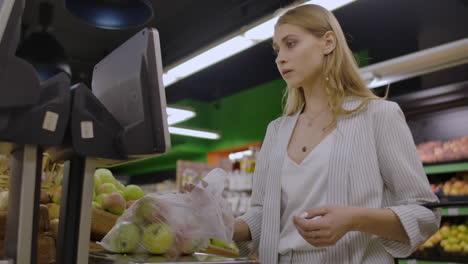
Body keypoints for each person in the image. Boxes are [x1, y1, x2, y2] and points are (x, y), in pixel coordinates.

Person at [230, 4, 440, 264]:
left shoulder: (378, 116)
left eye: (291, 43)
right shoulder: (276, 131)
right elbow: (264, 215)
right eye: (277, 49)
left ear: (328, 42)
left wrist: (355, 219)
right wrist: (220, 226)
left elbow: (425, 213)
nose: (280, 58)